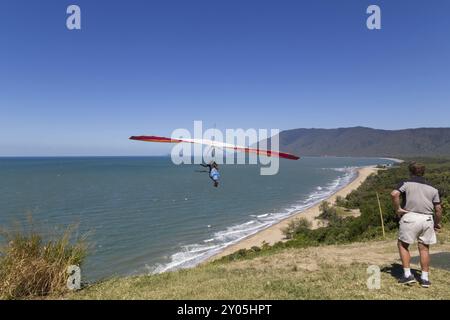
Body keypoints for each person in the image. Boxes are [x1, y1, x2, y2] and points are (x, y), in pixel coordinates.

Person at [391, 162, 442, 288]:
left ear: (410, 172)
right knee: (424, 248)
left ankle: (408, 275)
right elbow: (438, 209)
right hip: (427, 219)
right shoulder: (433, 189)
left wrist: (397, 208)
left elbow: (394, 194)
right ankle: (424, 278)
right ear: (423, 172)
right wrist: (436, 223)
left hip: (410, 216)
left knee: (403, 245)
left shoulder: (406, 183)